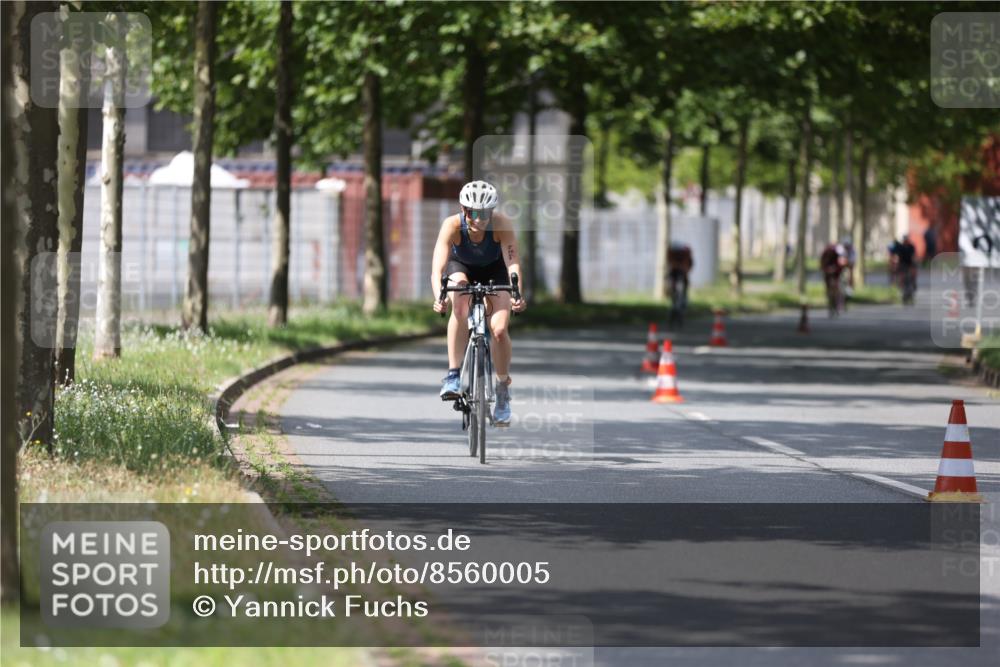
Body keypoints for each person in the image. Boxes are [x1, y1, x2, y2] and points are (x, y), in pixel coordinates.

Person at [430, 180, 526, 426]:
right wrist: (439, 297)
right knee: (460, 305)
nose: (480, 220)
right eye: (474, 213)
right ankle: (453, 374)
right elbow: (438, 268)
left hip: (495, 270)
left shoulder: (501, 224)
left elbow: (513, 263)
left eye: (485, 214)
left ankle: (502, 389)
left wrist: (517, 294)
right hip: (461, 267)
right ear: (464, 210)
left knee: (500, 330)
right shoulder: (451, 225)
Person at [666, 243, 693, 327]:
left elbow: (688, 267)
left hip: (681, 280)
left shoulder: (682, 260)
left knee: (681, 298)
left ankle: (678, 312)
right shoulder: (675, 267)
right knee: (676, 298)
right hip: (676, 280)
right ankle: (676, 311)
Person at [819, 242, 848, 316]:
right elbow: (822, 264)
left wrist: (837, 269)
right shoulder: (826, 254)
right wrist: (827, 270)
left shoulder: (837, 254)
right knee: (829, 290)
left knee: (836, 289)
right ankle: (831, 305)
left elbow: (841, 264)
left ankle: (836, 305)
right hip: (828, 274)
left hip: (836, 274)